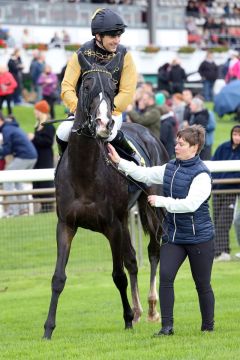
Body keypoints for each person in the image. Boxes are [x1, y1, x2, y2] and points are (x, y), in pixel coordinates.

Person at [108, 124, 215, 336]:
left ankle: (208, 327)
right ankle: (167, 327)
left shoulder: (202, 175)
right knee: (165, 278)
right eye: (177, 142)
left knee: (202, 284)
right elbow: (144, 173)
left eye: (181, 144)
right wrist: (119, 162)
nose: (176, 146)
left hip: (199, 238)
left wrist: (161, 201)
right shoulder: (170, 168)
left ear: (194, 148)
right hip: (174, 236)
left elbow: (190, 204)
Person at [58, 8, 138, 162]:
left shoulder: (125, 56)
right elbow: (67, 86)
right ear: (98, 36)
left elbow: (127, 92)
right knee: (62, 132)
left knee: (112, 133)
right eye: (113, 36)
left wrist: (105, 110)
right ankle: (63, 164)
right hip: (83, 111)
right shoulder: (81, 53)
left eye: (119, 36)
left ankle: (135, 162)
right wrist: (78, 107)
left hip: (111, 112)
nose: (117, 40)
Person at [0, 112, 37, 217]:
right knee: (18, 182)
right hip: (31, 156)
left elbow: (6, 149)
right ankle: (23, 210)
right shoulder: (10, 127)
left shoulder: (6, 129)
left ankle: (14, 211)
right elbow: (9, 148)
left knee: (7, 178)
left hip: (25, 156)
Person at [212, 125, 240, 261]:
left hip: (232, 191)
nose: (236, 137)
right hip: (217, 190)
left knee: (224, 222)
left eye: (239, 135)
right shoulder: (223, 147)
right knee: (216, 220)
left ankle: (222, 252)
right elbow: (212, 164)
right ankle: (221, 251)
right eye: (235, 134)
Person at [28, 100, 55, 213]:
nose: (35, 112)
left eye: (36, 110)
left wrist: (34, 138)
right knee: (38, 182)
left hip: (45, 158)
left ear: (41, 111)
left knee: (45, 182)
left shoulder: (49, 126)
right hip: (37, 158)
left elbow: (48, 142)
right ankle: (42, 204)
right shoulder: (37, 125)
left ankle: (47, 206)